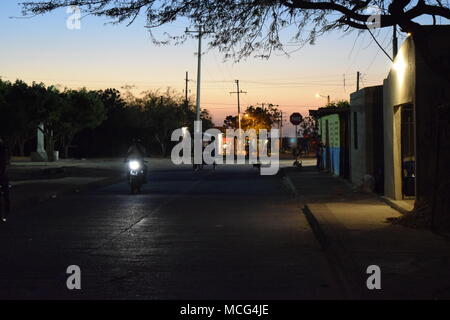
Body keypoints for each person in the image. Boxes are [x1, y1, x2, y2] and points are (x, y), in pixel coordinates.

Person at [0, 138, 11, 222]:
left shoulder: (3, 149)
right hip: (2, 173)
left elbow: (5, 162)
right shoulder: (3, 148)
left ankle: (7, 207)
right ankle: (7, 207)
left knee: (5, 189)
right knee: (5, 190)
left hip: (2, 173)